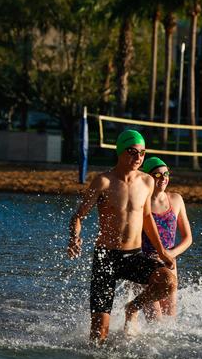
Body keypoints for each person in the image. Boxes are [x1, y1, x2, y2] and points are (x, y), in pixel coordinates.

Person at [67, 129, 176, 343]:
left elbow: (147, 218)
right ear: (120, 152)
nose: (138, 157)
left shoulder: (147, 182)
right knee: (99, 336)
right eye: (132, 152)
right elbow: (78, 216)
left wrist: (162, 252)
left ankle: (132, 307)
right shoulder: (103, 181)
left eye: (142, 153)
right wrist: (74, 238)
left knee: (168, 282)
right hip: (106, 258)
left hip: (134, 256)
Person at [139, 157, 192, 318]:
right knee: (155, 322)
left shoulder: (176, 200)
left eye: (166, 174)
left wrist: (170, 254)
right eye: (157, 175)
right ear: (147, 177)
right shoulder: (140, 203)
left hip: (170, 265)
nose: (163, 178)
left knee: (169, 323)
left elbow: (188, 238)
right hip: (145, 266)